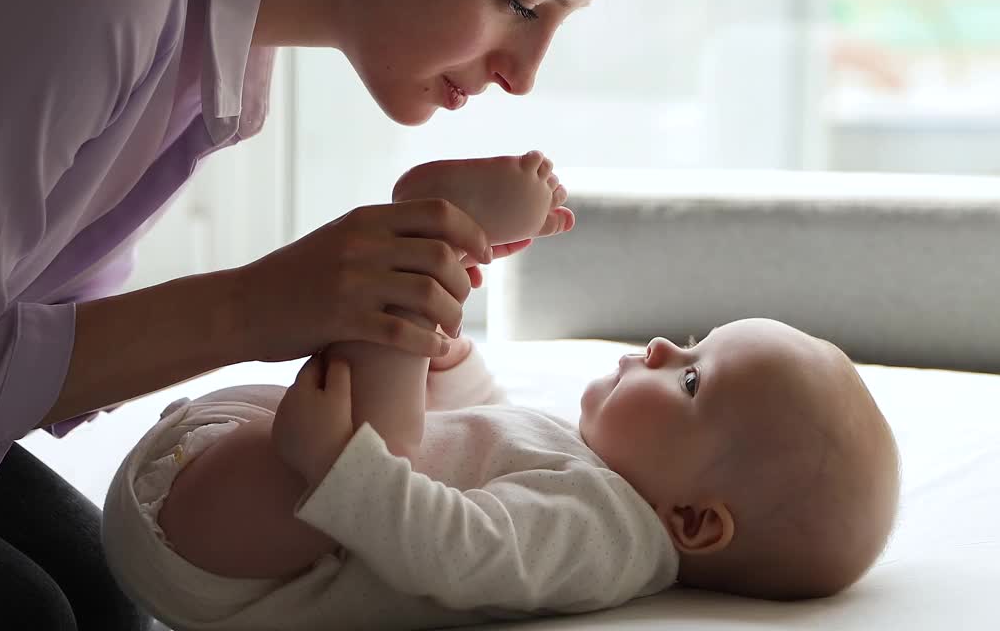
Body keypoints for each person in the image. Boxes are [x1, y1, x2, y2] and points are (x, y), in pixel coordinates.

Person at [0, 0, 646, 628]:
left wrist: (323, 317)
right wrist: (250, 307)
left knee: (106, 601)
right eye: (518, 0)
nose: (525, 74)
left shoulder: (217, 42)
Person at [102, 152, 902, 630]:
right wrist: (452, 366)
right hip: (236, 473)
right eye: (689, 340)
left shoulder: (608, 541)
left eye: (692, 377)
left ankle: (429, 231)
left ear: (693, 522)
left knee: (390, 430)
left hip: (236, 554)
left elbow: (458, 547)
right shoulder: (602, 475)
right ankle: (426, 251)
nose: (661, 345)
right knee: (406, 402)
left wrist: (344, 466)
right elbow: (488, 432)